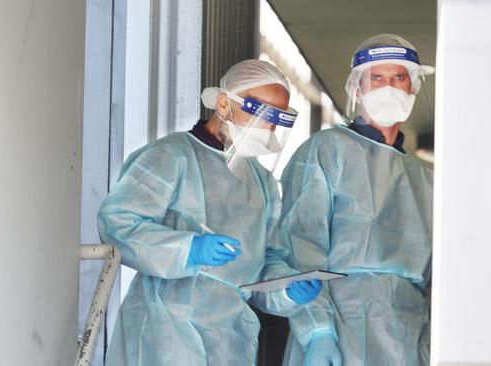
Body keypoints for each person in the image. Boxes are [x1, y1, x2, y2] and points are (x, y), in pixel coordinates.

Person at [98, 59, 323, 366]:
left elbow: (265, 263)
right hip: (165, 327)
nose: (267, 127)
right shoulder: (172, 156)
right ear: (223, 103)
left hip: (232, 338)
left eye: (276, 119)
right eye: (259, 112)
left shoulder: (263, 184)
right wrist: (188, 249)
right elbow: (117, 224)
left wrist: (287, 288)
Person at [279, 34, 434, 366]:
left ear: (413, 86)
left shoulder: (425, 178)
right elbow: (300, 247)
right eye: (376, 78)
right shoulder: (326, 151)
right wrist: (317, 331)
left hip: (408, 333)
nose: (388, 87)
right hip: (338, 325)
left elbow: (440, 276)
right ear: (357, 88)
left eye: (399, 78)